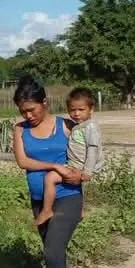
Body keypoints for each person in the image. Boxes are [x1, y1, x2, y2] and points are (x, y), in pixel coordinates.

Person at [11, 77, 91, 268]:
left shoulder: (66, 126)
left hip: (68, 197)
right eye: (23, 110)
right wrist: (53, 166)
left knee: (52, 252)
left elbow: (87, 155)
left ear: (45, 102)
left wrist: (81, 178)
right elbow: (23, 162)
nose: (28, 114)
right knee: (55, 256)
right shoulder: (20, 130)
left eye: (32, 109)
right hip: (39, 200)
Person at [34, 87, 104, 226]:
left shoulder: (90, 127)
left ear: (91, 109)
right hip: (76, 163)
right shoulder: (80, 125)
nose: (76, 113)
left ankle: (47, 210)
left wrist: (88, 171)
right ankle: (78, 212)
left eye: (81, 110)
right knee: (77, 187)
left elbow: (93, 149)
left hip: (80, 165)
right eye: (72, 110)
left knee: (49, 178)